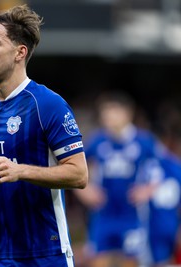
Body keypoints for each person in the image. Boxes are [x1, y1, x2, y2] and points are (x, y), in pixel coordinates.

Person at [0, 5, 88, 267]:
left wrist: (21, 171)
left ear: (20, 52)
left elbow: (79, 175)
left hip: (42, 254)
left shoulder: (47, 104)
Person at [74, 91, 165, 267]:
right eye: (105, 114)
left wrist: (147, 190)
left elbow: (160, 170)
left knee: (130, 261)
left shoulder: (144, 141)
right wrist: (85, 191)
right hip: (103, 214)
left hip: (131, 215)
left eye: (112, 112)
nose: (108, 118)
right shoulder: (97, 141)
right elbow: (75, 168)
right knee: (99, 261)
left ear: (127, 113)